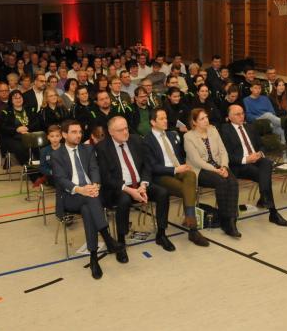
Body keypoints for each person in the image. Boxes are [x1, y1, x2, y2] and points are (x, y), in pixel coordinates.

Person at [96, 116, 176, 262]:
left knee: (163, 193)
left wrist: (143, 185)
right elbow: (106, 178)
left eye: (126, 128)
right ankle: (121, 242)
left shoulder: (136, 140)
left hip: (139, 184)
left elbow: (147, 165)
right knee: (124, 199)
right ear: (111, 132)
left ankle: (161, 234)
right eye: (121, 130)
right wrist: (129, 190)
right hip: (118, 188)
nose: (125, 132)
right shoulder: (102, 147)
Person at [50, 120, 123, 279]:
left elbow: (94, 168)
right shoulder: (56, 155)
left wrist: (95, 184)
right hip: (71, 196)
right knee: (90, 200)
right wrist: (80, 189)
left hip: (90, 194)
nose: (78, 135)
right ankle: (107, 237)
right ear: (64, 135)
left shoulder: (88, 149)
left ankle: (94, 257)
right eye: (74, 132)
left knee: (88, 209)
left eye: (80, 132)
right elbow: (61, 180)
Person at [144, 108, 209, 247]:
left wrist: (183, 166)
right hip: (162, 175)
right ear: (153, 122)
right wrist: (174, 169)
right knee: (188, 189)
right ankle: (193, 229)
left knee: (191, 175)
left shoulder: (172, 135)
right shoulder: (147, 140)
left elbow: (179, 156)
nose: (166, 120)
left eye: (166, 117)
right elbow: (152, 167)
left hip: (178, 169)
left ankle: (191, 224)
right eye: (161, 118)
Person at [221, 105, 287, 226]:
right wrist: (245, 159)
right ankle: (272, 211)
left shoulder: (250, 127)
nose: (241, 116)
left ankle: (265, 198)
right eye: (237, 114)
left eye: (242, 113)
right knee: (263, 175)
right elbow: (226, 155)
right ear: (229, 117)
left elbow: (262, 145)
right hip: (239, 165)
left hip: (256, 159)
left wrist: (260, 153)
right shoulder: (225, 130)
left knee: (267, 163)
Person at [184, 108, 241, 237]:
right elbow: (196, 160)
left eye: (206, 117)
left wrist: (225, 167)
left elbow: (223, 151)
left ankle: (231, 221)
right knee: (221, 181)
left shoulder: (213, 131)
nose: (206, 120)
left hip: (219, 166)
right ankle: (225, 219)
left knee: (233, 182)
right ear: (194, 122)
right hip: (201, 170)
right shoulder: (188, 137)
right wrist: (216, 170)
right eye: (202, 119)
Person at [0, 90, 42, 169]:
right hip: (13, 137)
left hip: (30, 134)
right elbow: (3, 127)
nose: (18, 100)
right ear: (11, 101)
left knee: (40, 144)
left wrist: (27, 128)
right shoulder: (6, 112)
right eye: (15, 98)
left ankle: (42, 166)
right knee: (20, 147)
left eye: (20, 97)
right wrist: (17, 129)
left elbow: (36, 122)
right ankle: (28, 168)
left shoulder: (30, 109)